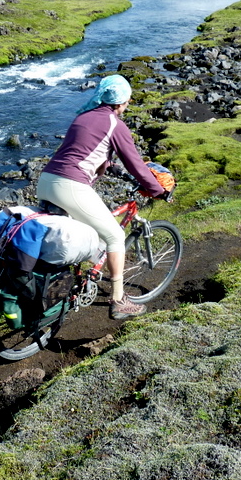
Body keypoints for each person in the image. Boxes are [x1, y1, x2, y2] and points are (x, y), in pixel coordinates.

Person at [36, 74, 167, 320]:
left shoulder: (84, 116)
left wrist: (113, 168)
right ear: (121, 101)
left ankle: (68, 280)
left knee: (75, 233)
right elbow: (136, 165)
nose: (127, 105)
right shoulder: (114, 123)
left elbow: (87, 151)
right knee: (115, 235)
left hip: (46, 181)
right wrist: (158, 189)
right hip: (71, 185)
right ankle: (118, 300)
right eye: (127, 101)